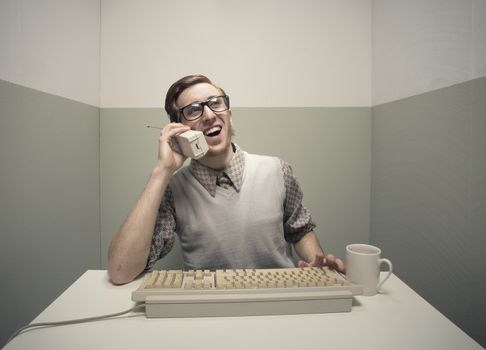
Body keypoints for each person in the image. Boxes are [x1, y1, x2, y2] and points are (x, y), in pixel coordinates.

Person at [108, 74, 345, 285]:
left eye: (215, 103)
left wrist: (317, 268)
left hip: (278, 304)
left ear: (229, 115)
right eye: (193, 110)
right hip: (208, 313)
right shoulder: (172, 189)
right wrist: (161, 171)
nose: (209, 115)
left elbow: (300, 230)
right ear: (180, 130)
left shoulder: (277, 171)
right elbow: (121, 271)